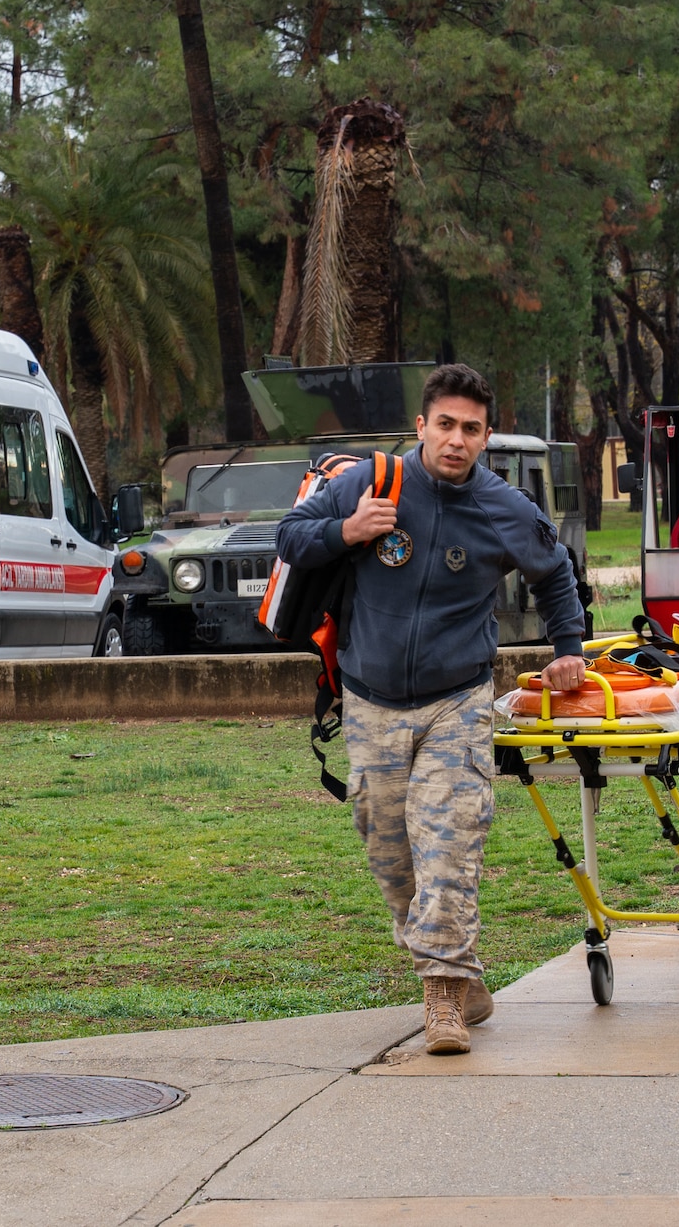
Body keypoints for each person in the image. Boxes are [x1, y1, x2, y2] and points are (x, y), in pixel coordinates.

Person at [276, 364, 586, 1054]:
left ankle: (442, 1000)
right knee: (392, 856)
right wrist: (348, 529)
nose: (456, 439)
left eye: (470, 429)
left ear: (487, 436)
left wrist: (569, 647)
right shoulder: (372, 482)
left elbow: (555, 569)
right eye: (444, 424)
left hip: (458, 702)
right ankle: (460, 974)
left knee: (448, 843)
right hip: (369, 700)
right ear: (421, 426)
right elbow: (290, 536)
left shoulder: (504, 507)